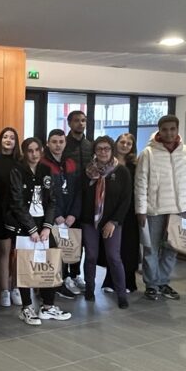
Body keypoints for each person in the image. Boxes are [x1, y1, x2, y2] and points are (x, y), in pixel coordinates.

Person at [5, 137, 71, 324]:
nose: (33, 154)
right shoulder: (17, 171)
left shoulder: (46, 170)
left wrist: (47, 227)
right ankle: (26, 307)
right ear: (24, 153)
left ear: (41, 151)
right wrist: (32, 229)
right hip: (24, 225)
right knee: (26, 265)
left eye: (36, 150)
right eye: (29, 150)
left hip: (44, 225)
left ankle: (48, 306)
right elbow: (17, 202)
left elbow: (51, 201)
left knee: (50, 262)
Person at [134, 115, 186, 301]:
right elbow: (140, 182)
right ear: (159, 131)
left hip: (180, 209)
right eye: (165, 129)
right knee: (151, 249)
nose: (169, 133)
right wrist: (141, 209)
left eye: (172, 129)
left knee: (172, 248)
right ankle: (151, 284)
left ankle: (163, 282)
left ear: (177, 130)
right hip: (154, 210)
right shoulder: (149, 153)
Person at [80, 136, 133, 308]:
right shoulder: (87, 171)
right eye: (100, 148)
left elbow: (126, 199)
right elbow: (80, 196)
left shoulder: (121, 171)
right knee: (91, 256)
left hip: (112, 222)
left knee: (113, 257)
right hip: (90, 221)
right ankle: (89, 289)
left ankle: (121, 294)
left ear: (112, 150)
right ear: (94, 151)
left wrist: (114, 221)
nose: (103, 152)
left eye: (107, 149)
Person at [42, 129, 81, 299]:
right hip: (53, 216)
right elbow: (46, 194)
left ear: (65, 143)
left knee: (67, 250)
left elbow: (79, 191)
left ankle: (66, 280)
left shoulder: (72, 163)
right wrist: (56, 215)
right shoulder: (43, 164)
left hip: (70, 216)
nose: (58, 145)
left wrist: (73, 214)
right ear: (48, 143)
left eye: (61, 142)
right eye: (54, 141)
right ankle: (54, 284)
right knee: (53, 252)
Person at [100, 132, 139, 294]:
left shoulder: (134, 165)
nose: (125, 145)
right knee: (112, 247)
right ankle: (110, 280)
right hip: (110, 209)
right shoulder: (108, 163)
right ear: (116, 143)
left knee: (128, 246)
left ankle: (128, 281)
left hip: (129, 210)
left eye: (128, 143)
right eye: (122, 142)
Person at [0, 127, 22, 306]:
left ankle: (16, 287)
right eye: (5, 137)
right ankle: (4, 290)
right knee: (3, 252)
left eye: (12, 137)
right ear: (0, 140)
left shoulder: (20, 162)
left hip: (17, 215)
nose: (8, 140)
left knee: (17, 253)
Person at [62, 111, 93, 292]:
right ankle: (64, 275)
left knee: (79, 241)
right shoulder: (64, 145)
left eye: (83, 121)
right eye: (76, 121)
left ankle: (75, 274)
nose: (80, 124)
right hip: (67, 199)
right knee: (65, 239)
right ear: (69, 123)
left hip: (87, 200)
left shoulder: (90, 145)